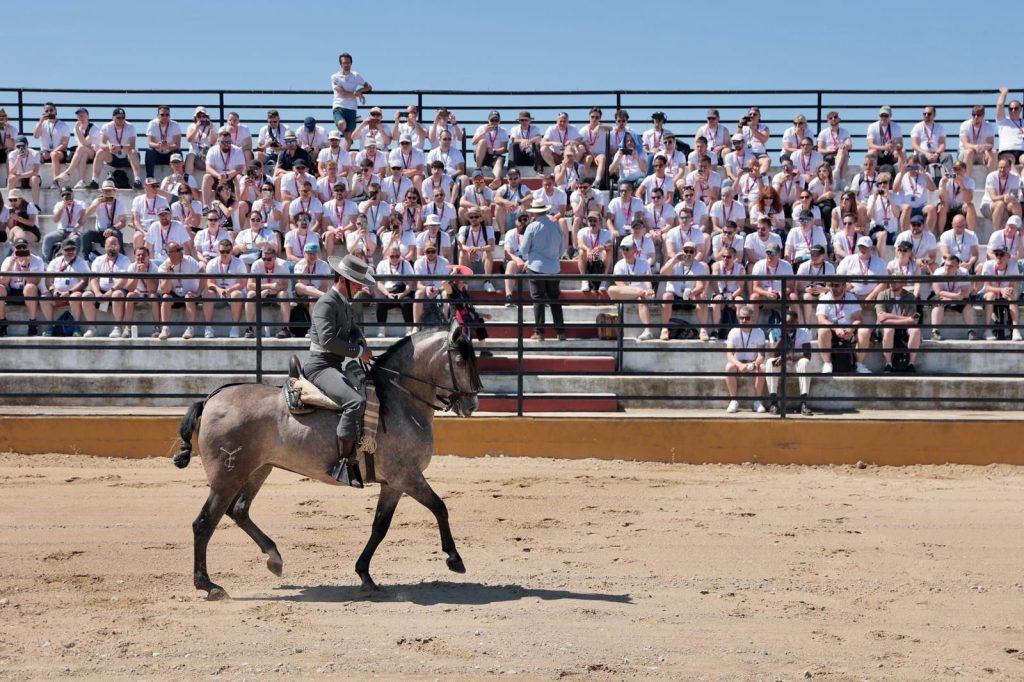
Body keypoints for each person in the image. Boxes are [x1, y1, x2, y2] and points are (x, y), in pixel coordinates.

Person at [304, 253, 375, 486]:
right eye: (357, 282)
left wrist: (361, 340)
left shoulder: (343, 302)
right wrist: (358, 352)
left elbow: (353, 328)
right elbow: (327, 341)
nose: (360, 287)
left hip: (333, 364)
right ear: (343, 280)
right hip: (320, 365)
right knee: (355, 401)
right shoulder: (327, 302)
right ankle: (344, 463)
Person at [519, 198, 566, 341]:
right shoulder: (556, 225)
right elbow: (562, 248)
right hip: (553, 267)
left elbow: (524, 249)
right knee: (554, 299)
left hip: (536, 267)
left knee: (538, 299)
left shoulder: (532, 227)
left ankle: (539, 332)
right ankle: (560, 332)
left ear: (534, 212)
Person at [816, 280, 872, 374]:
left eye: (837, 285)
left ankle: (859, 364)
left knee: (865, 331)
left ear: (844, 286)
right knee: (822, 330)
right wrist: (836, 328)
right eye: (831, 285)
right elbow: (821, 319)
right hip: (831, 330)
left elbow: (858, 319)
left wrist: (851, 329)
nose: (833, 288)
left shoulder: (851, 297)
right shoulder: (825, 298)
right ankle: (827, 364)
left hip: (848, 330)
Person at [765, 309, 814, 416]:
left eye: (791, 323)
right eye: (786, 322)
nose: (788, 325)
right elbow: (773, 355)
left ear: (796, 323)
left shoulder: (803, 333)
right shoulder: (774, 332)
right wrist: (782, 336)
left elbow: (807, 355)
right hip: (781, 364)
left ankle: (803, 403)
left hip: (795, 361)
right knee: (769, 362)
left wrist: (787, 357)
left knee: (805, 362)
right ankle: (773, 402)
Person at [608, 236, 656, 341]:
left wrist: (649, 288)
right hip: (627, 293)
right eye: (623, 249)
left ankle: (648, 331)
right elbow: (620, 284)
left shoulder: (644, 263)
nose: (624, 251)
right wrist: (637, 291)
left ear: (634, 250)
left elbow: (647, 279)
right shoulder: (619, 265)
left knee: (640, 299)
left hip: (640, 296)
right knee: (611, 289)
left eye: (627, 248)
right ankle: (640, 292)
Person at [658, 241, 708, 341]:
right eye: (686, 251)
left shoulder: (699, 266)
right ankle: (664, 329)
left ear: (695, 253)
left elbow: (701, 285)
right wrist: (674, 260)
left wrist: (692, 292)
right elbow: (662, 274)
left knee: (702, 297)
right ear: (682, 251)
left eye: (691, 251)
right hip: (674, 295)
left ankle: (703, 329)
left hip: (690, 296)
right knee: (666, 296)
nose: (688, 253)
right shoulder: (674, 262)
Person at [41, 239, 90, 337]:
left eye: (73, 249)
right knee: (43, 297)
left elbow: (84, 281)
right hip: (57, 294)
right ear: (62, 250)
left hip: (73, 293)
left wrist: (70, 292)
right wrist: (53, 290)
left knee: (75, 297)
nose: (71, 252)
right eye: (68, 250)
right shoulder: (55, 262)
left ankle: (76, 327)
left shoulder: (81, 262)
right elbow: (48, 280)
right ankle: (50, 326)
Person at [85, 236, 132, 337]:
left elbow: (124, 279)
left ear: (119, 246)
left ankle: (117, 327)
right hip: (101, 291)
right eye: (109, 245)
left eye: (114, 245)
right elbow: (93, 278)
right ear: (105, 247)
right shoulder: (98, 260)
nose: (112, 247)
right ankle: (92, 327)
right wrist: (97, 293)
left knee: (117, 294)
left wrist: (110, 292)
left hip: (117, 290)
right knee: (86, 295)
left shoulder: (125, 260)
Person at [0, 237, 47, 336]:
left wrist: (25, 267)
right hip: (12, 290)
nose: (21, 250)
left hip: (29, 291)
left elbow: (34, 282)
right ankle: (2, 322)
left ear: (28, 248)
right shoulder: (8, 260)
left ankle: (32, 323)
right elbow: (3, 282)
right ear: (14, 249)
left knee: (30, 287)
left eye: (23, 247)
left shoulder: (37, 260)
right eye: (18, 247)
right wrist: (11, 264)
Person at [724, 305, 766, 414]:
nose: (744, 320)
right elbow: (729, 355)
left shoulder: (759, 332)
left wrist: (753, 364)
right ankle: (733, 401)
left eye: (747, 318)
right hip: (738, 363)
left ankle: (757, 401)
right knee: (729, 367)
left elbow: (761, 355)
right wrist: (740, 365)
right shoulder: (733, 331)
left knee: (763, 368)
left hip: (752, 363)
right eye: (741, 318)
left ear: (752, 319)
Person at [88, 107, 143, 190]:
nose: (121, 119)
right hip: (114, 158)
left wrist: (120, 147)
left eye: (123, 117)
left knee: (132, 151)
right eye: (118, 117)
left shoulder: (130, 126)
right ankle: (94, 181)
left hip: (128, 158)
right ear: (113, 118)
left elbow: (132, 145)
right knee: (100, 152)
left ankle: (137, 181)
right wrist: (109, 148)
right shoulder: (106, 127)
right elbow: (102, 143)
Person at [156, 241, 202, 340]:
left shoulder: (189, 260)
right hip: (175, 294)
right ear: (169, 254)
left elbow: (203, 274)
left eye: (181, 249)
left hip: (191, 293)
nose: (181, 252)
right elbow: (166, 290)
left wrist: (198, 292)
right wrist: (169, 275)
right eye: (178, 250)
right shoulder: (163, 267)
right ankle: (165, 328)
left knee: (188, 296)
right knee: (166, 297)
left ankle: (190, 328)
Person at [202, 238, 247, 339]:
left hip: (234, 292)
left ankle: (235, 327)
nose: (225, 254)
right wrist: (218, 290)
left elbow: (242, 283)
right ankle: (208, 327)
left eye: (227, 251)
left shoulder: (239, 263)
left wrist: (229, 290)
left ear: (231, 251)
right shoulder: (212, 263)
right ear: (218, 251)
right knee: (208, 293)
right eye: (222, 252)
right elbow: (209, 283)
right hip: (219, 292)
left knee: (236, 294)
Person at [875, 278, 922, 373]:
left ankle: (910, 364)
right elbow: (881, 319)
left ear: (903, 283)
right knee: (889, 329)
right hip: (884, 328)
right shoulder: (882, 294)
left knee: (915, 330)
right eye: (891, 281)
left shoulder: (909, 296)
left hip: (903, 327)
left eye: (896, 281)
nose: (892, 283)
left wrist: (888, 316)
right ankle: (888, 364)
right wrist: (905, 319)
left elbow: (912, 320)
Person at [247, 246, 292, 338]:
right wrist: (268, 287)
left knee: (284, 294)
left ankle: (286, 328)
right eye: (264, 259)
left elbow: (284, 286)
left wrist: (269, 290)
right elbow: (249, 285)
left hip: (276, 293)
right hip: (262, 293)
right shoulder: (256, 264)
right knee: (250, 294)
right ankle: (249, 328)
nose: (266, 261)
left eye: (269, 259)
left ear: (275, 258)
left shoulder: (282, 264)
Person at [930, 253, 977, 341]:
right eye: (946, 265)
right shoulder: (938, 272)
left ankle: (971, 331)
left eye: (951, 266)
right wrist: (955, 297)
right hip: (946, 296)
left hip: (956, 297)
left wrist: (952, 298)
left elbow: (966, 293)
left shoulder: (963, 273)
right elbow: (938, 292)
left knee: (968, 305)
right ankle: (935, 332)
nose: (947, 268)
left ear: (957, 267)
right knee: (938, 304)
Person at [330, 52, 372, 149]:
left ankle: (342, 158)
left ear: (351, 63)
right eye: (344, 63)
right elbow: (342, 93)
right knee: (341, 124)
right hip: (339, 106)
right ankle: (347, 137)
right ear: (341, 64)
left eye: (348, 63)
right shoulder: (334, 77)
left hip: (352, 109)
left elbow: (369, 87)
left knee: (349, 139)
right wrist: (356, 94)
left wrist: (359, 91)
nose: (346, 65)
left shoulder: (356, 75)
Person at [980, 247, 1022, 341]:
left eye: (1001, 254)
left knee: (1012, 296)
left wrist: (1005, 292)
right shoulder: (988, 265)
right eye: (996, 254)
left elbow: (1011, 286)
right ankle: (987, 330)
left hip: (1005, 294)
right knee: (991, 295)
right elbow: (987, 287)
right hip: (988, 293)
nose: (998, 257)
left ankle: (1016, 330)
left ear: (1008, 257)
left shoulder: (1013, 266)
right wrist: (1001, 290)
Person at [374, 244, 415, 336]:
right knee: (380, 301)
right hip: (388, 292)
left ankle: (409, 328)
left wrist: (403, 294)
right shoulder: (382, 264)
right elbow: (379, 283)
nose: (395, 259)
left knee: (407, 301)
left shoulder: (406, 264)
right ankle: (381, 329)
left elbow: (410, 283)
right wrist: (387, 294)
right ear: (387, 255)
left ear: (400, 254)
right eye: (392, 256)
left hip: (402, 292)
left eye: (397, 256)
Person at [123, 245, 161, 338]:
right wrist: (137, 274)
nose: (141, 257)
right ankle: (128, 328)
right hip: (138, 292)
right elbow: (130, 288)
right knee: (129, 296)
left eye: (143, 255)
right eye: (138, 255)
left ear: (148, 257)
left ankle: (157, 327)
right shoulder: (132, 267)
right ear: (134, 256)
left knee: (153, 297)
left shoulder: (154, 268)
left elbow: (153, 289)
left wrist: (145, 274)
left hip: (150, 293)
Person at [709, 247, 746, 339]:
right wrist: (718, 294)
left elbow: (741, 288)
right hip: (720, 293)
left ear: (734, 258)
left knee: (740, 302)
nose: (725, 259)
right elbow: (713, 281)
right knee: (716, 302)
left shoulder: (740, 268)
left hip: (734, 294)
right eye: (723, 256)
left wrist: (732, 297)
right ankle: (715, 331)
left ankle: (741, 331)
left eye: (729, 257)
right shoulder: (717, 265)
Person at [412, 240, 450, 328]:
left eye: (433, 251)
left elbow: (447, 283)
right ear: (424, 252)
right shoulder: (418, 263)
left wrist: (438, 290)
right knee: (418, 293)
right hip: (426, 292)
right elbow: (419, 284)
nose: (430, 253)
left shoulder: (445, 262)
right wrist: (426, 289)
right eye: (428, 251)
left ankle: (444, 324)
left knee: (445, 294)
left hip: (440, 291)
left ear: (437, 251)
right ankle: (416, 326)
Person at [836, 236, 887, 301]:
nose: (862, 249)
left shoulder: (880, 262)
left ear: (871, 249)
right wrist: (845, 284)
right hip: (850, 296)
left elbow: (883, 283)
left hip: (872, 297)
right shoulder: (848, 260)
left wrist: (871, 296)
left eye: (865, 247)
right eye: (860, 246)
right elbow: (838, 278)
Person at [32, 102, 71, 186]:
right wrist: (41, 121)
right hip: (45, 152)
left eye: (51, 110)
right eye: (46, 111)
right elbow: (35, 136)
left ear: (56, 111)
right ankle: (31, 182)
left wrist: (50, 153)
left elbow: (64, 144)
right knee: (33, 155)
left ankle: (55, 181)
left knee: (54, 154)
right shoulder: (41, 124)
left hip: (59, 152)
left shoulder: (63, 125)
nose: (49, 112)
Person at [456, 208, 496, 291]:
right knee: (462, 253)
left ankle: (487, 281)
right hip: (469, 262)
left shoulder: (488, 229)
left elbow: (492, 246)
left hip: (482, 263)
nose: (474, 219)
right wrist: (470, 250)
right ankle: (464, 283)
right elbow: (461, 245)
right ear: (469, 219)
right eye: (471, 217)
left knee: (488, 252)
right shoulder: (463, 229)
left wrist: (477, 249)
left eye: (476, 216)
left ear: (481, 218)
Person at [795, 244, 835, 326]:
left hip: (823, 292)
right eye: (812, 254)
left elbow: (833, 286)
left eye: (817, 255)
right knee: (807, 297)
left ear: (823, 256)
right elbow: (797, 285)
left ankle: (822, 325)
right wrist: (806, 289)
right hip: (807, 292)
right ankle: (808, 326)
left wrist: (824, 289)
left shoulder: (829, 267)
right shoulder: (804, 266)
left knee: (824, 297)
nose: (814, 257)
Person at [910, 106, 952, 181]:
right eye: (924, 114)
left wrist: (936, 154)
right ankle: (920, 180)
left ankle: (946, 180)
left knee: (948, 156)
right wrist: (926, 154)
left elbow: (942, 144)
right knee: (920, 156)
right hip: (922, 153)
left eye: (929, 114)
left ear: (934, 115)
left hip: (936, 154)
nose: (926, 116)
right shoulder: (917, 126)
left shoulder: (940, 127)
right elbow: (914, 145)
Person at [980, 156, 1021, 231]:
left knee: (1015, 205)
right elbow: (993, 197)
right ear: (997, 167)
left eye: (1005, 167)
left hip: (1005, 205)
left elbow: (1014, 195)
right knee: (1000, 204)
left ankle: (1018, 231)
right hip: (988, 205)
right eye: (1000, 167)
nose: (1002, 170)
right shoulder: (991, 176)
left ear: (1010, 168)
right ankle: (995, 233)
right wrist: (1004, 197)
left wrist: (1011, 198)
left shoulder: (1015, 177)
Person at [64, 108, 101, 188]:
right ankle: (81, 181)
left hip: (95, 154)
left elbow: (84, 143)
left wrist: (77, 130)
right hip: (85, 151)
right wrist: (77, 130)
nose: (81, 117)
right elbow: (82, 144)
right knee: (83, 153)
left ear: (88, 116)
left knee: (81, 149)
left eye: (83, 115)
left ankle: (69, 172)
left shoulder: (94, 128)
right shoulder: (76, 129)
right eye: (79, 116)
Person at [937, 160, 977, 233]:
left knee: (970, 206)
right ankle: (940, 233)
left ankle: (971, 234)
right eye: (955, 169)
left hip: (960, 207)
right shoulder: (946, 180)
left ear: (965, 171)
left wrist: (962, 185)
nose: (957, 172)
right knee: (942, 206)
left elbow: (968, 199)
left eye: (959, 169)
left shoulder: (969, 181)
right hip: (947, 205)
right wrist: (943, 185)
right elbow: (943, 199)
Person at [144, 106, 181, 179]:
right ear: (157, 115)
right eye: (162, 115)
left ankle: (179, 177)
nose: (165, 117)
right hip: (157, 154)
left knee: (178, 152)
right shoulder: (152, 124)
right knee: (149, 151)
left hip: (170, 154)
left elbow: (177, 144)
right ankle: (150, 178)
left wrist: (167, 146)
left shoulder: (175, 125)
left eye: (167, 115)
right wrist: (159, 145)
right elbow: (150, 143)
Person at [503, 213, 532, 303]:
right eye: (520, 220)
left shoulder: (533, 233)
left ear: (529, 221)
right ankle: (509, 297)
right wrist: (517, 259)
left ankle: (539, 298)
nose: (523, 222)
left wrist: (528, 261)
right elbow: (507, 253)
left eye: (525, 219)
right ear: (516, 221)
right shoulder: (510, 233)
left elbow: (538, 252)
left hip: (529, 262)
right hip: (514, 262)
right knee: (511, 264)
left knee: (538, 265)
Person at [865, 105, 904, 173]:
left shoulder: (896, 126)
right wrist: (884, 147)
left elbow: (900, 144)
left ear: (890, 116)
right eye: (881, 116)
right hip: (878, 153)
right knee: (871, 152)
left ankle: (902, 175)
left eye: (886, 116)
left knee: (902, 151)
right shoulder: (872, 126)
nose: (883, 118)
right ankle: (870, 175)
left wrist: (894, 145)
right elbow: (870, 144)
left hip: (891, 153)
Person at [472, 110, 508, 182]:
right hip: (482, 155)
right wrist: (485, 132)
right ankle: (478, 168)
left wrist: (494, 151)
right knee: (482, 141)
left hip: (494, 155)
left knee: (500, 160)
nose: (494, 122)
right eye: (492, 120)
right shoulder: (482, 128)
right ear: (488, 120)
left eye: (496, 120)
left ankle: (496, 180)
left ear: (499, 121)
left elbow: (504, 149)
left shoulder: (503, 131)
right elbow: (473, 142)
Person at [959, 105, 997, 171]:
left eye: (979, 115)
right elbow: (966, 145)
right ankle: (967, 180)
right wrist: (976, 147)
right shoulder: (965, 125)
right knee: (969, 152)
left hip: (981, 154)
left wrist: (984, 147)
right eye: (974, 115)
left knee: (993, 152)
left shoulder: (989, 126)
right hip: (965, 153)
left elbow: (991, 144)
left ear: (983, 115)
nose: (976, 117)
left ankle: (990, 179)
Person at [817, 111, 852, 182]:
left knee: (842, 150)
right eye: (830, 118)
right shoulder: (823, 133)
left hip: (840, 152)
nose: (833, 119)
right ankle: (843, 180)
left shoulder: (844, 131)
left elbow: (850, 145)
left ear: (839, 119)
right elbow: (820, 149)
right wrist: (829, 150)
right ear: (828, 121)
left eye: (835, 117)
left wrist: (843, 145)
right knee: (845, 156)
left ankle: (836, 170)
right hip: (829, 155)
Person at [7, 136, 41, 207]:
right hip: (19, 179)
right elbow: (11, 172)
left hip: (30, 179)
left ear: (27, 145)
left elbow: (35, 172)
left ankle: (36, 205)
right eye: (18, 146)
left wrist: (19, 175)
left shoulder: (35, 153)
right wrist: (18, 160)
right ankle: (11, 204)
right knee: (11, 178)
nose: (20, 148)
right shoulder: (12, 154)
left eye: (23, 146)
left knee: (34, 178)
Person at [995, 87, 1024, 163]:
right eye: (1011, 109)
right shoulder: (1003, 121)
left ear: (1021, 110)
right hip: (1006, 151)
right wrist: (1004, 93)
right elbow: (1000, 105)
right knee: (1010, 162)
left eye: (1016, 108)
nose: (1013, 110)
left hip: (1022, 152)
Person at [184, 106, 215, 175]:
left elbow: (213, 142)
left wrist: (211, 129)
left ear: (207, 117)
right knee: (190, 155)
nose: (201, 118)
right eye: (199, 116)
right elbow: (189, 139)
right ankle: (188, 179)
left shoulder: (212, 127)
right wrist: (197, 128)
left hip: (207, 156)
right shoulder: (192, 126)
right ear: (195, 117)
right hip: (195, 156)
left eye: (203, 116)